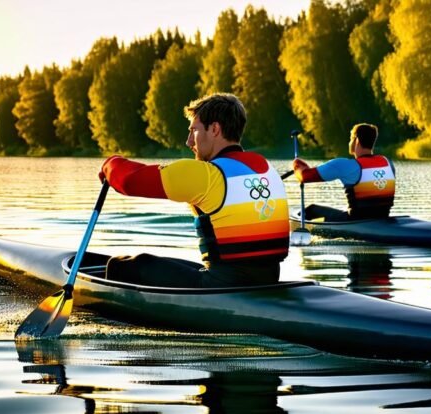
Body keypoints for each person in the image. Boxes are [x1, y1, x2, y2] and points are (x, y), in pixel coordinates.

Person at [99, 93, 289, 288]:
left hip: (223, 286)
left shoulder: (207, 174)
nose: (189, 142)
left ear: (215, 129)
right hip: (268, 280)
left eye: (194, 131)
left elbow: (130, 181)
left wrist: (110, 163)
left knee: (123, 265)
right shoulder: (267, 170)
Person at [292, 123, 395, 221]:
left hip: (356, 221)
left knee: (311, 210)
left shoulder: (346, 165)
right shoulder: (387, 163)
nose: (350, 142)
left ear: (357, 141)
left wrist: (297, 164)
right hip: (382, 218)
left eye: (351, 138)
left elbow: (305, 176)